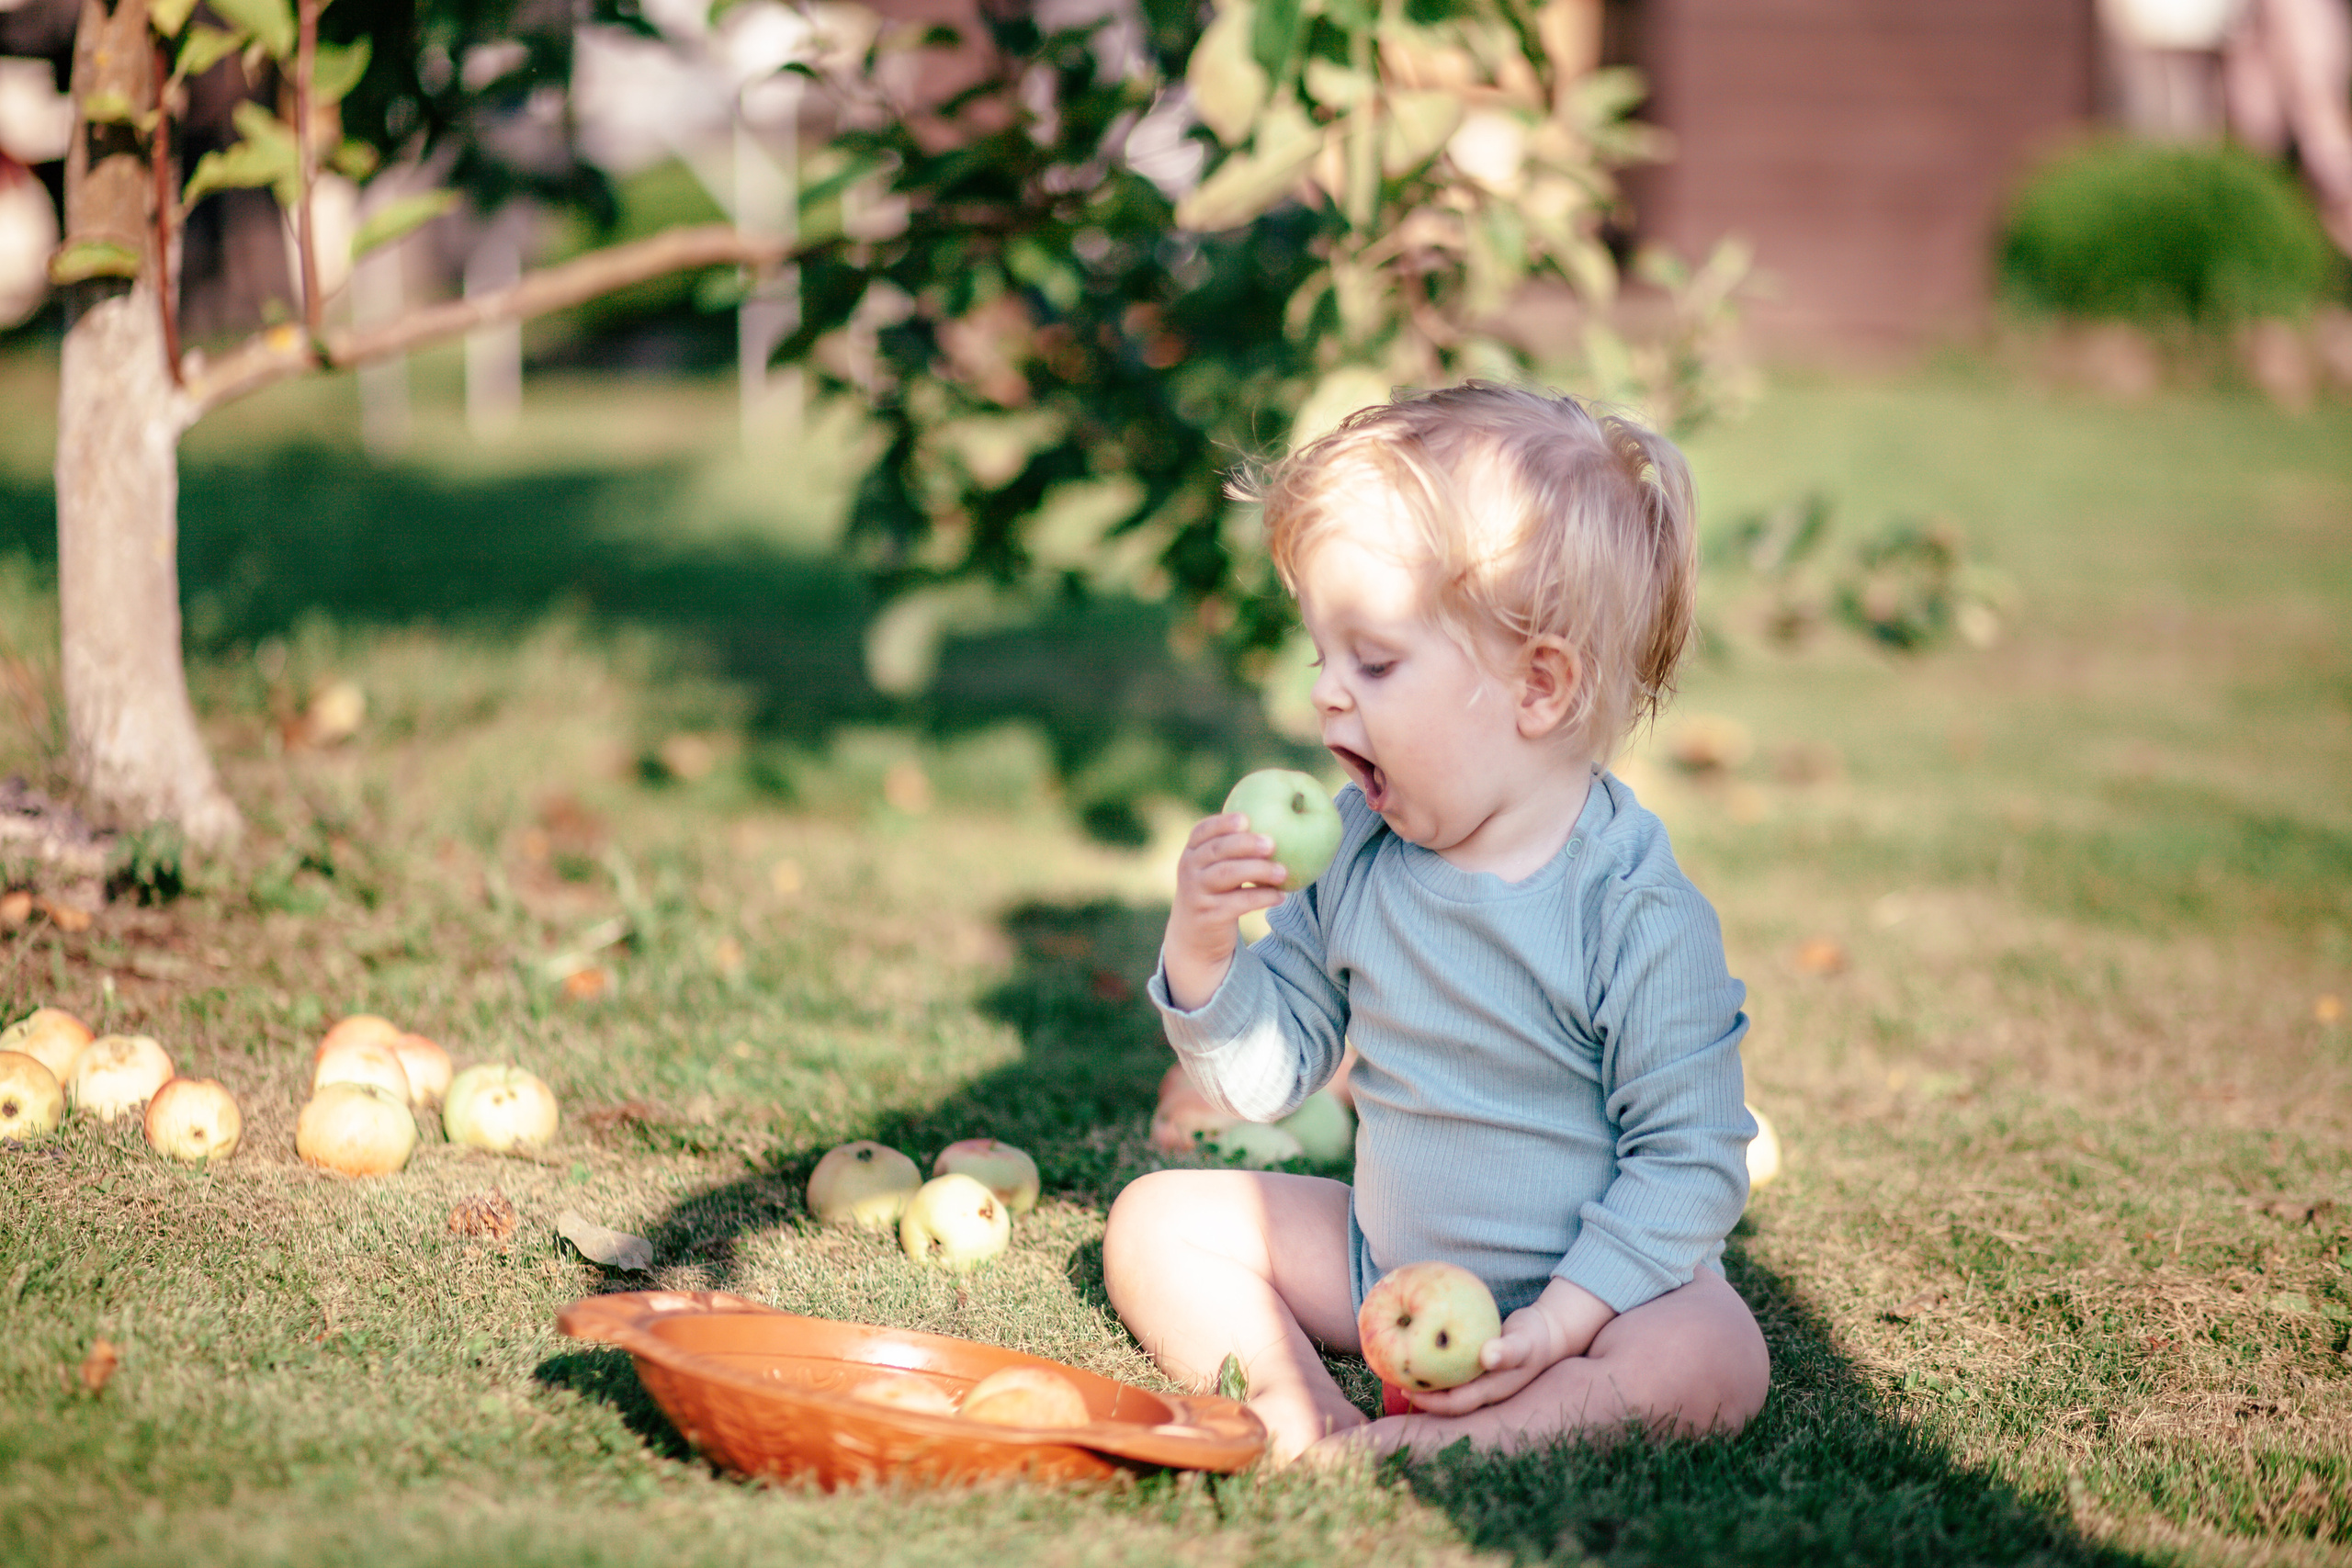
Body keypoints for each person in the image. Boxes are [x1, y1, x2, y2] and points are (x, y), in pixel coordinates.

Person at [1102, 384, 1771, 1466]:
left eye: (1372, 662)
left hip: (1596, 1299)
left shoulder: (1631, 908)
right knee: (1154, 1221)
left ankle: (1477, 1439)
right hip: (1387, 1270)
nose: (1325, 696)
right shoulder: (1359, 849)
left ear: (1538, 685)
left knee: (1713, 1353)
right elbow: (1269, 1078)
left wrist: (1561, 1321)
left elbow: (1689, 1161)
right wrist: (1204, 947)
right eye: (1322, 655)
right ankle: (1294, 1404)